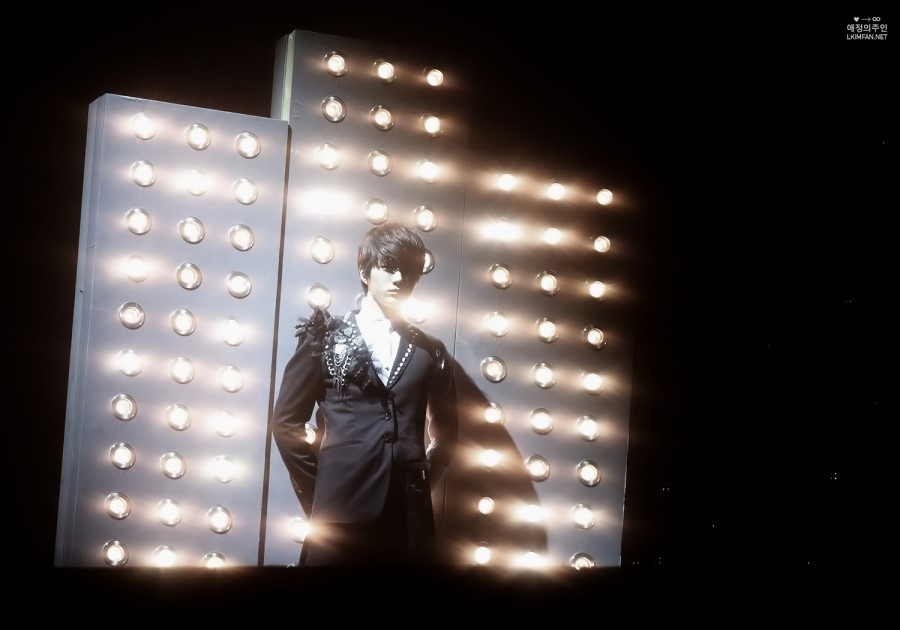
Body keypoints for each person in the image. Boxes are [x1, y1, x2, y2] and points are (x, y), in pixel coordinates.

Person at [272, 222, 458, 567]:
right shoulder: (323, 337)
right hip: (337, 516)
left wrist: (417, 482)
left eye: (410, 272)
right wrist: (321, 492)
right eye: (389, 267)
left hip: (408, 522)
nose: (400, 279)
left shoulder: (431, 350)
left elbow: (447, 434)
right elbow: (285, 423)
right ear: (364, 271)